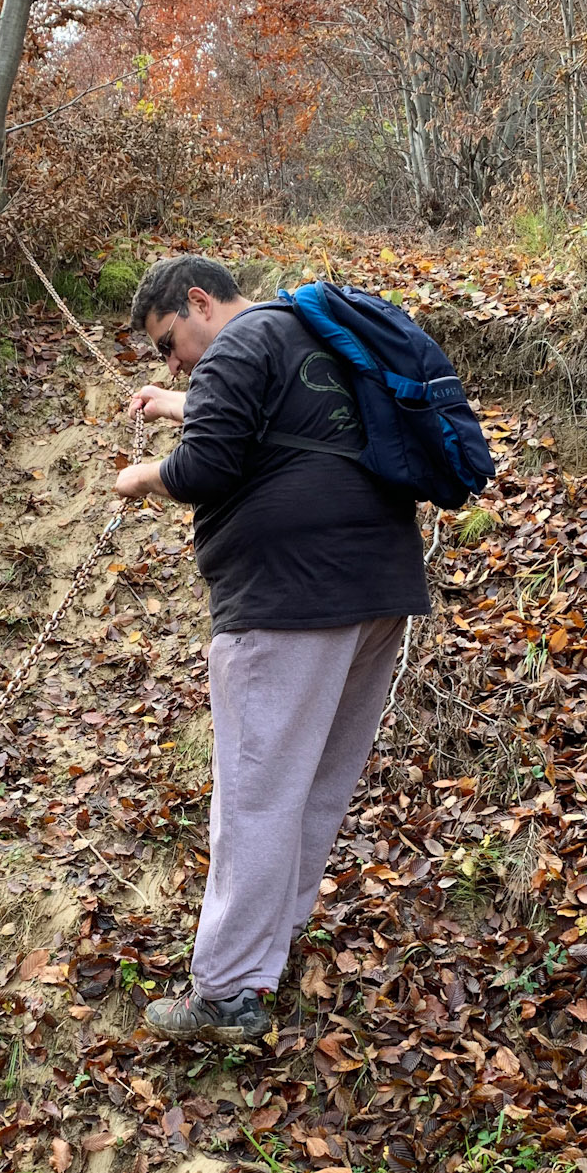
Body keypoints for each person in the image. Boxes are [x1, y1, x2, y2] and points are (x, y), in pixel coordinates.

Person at [112, 254, 429, 1044]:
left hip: (288, 598)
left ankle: (224, 991)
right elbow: (285, 428)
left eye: (168, 343)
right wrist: (180, 404)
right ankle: (262, 958)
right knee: (313, 787)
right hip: (378, 592)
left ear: (197, 301)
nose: (175, 360)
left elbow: (209, 466)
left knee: (254, 795)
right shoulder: (311, 334)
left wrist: (141, 477)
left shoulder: (234, 345)